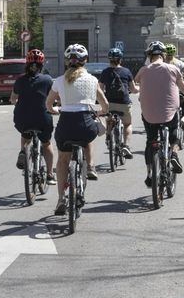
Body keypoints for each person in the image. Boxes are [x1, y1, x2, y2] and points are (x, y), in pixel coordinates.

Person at [45, 44, 109, 215]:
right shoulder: (93, 80)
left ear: (67, 62)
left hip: (66, 124)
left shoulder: (58, 81)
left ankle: (60, 199)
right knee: (88, 138)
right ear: (85, 61)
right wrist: (101, 111)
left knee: (62, 160)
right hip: (85, 124)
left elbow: (49, 104)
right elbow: (105, 105)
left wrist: (55, 110)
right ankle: (90, 167)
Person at [135, 41, 184, 187]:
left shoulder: (143, 70)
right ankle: (173, 154)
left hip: (149, 114)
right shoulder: (172, 69)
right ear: (164, 55)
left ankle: (149, 174)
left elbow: (136, 83)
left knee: (150, 141)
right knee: (174, 136)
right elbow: (183, 88)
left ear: (149, 55)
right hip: (170, 113)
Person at [10, 48, 56, 185]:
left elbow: (13, 99)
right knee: (47, 143)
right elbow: (55, 99)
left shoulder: (20, 80)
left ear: (27, 64)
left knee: (25, 133)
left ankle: (23, 151)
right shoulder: (47, 80)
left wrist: (19, 103)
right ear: (42, 65)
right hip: (43, 118)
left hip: (22, 118)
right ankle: (49, 175)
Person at [98, 48, 139, 158]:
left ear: (109, 60)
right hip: (123, 103)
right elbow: (133, 89)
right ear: (120, 59)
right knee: (127, 124)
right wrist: (139, 89)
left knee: (109, 119)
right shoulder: (126, 71)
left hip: (109, 103)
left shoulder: (105, 72)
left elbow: (100, 89)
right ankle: (126, 145)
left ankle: (108, 135)